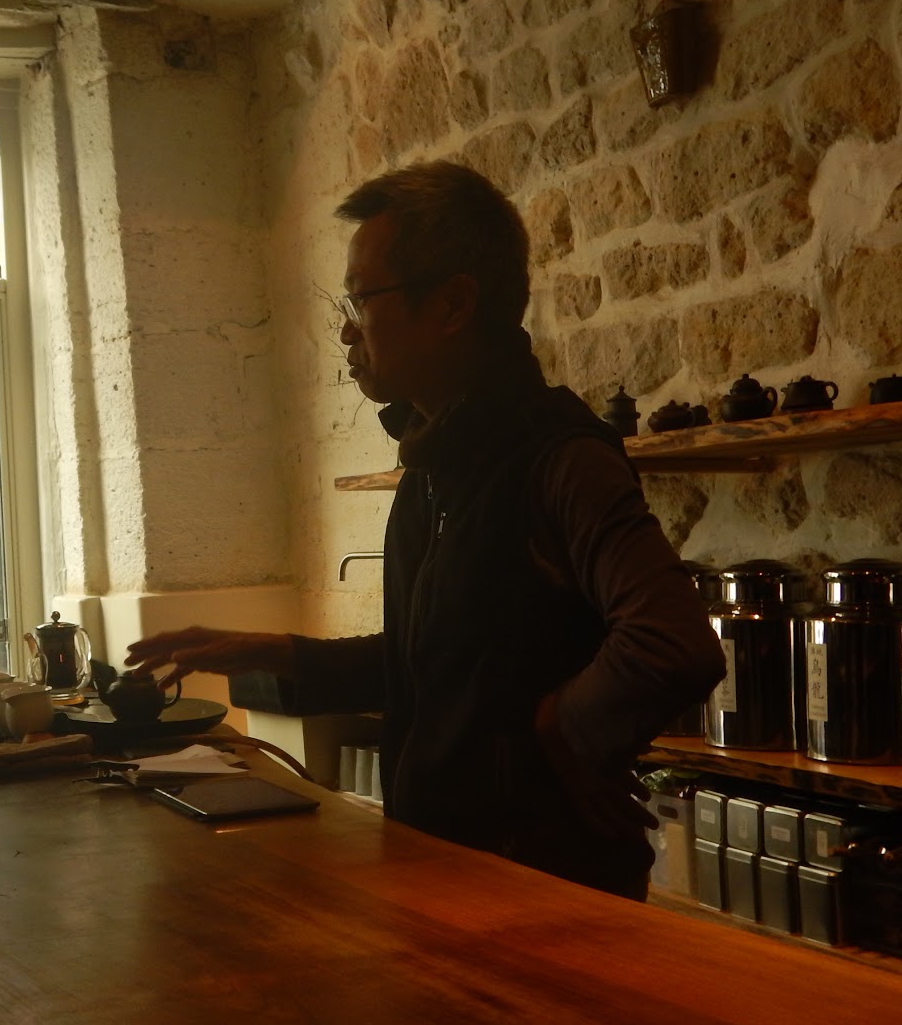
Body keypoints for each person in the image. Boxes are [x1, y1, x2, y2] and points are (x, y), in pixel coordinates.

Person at [128, 162, 722, 899]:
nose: (346, 329)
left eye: (362, 298)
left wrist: (559, 733)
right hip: (444, 869)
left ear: (452, 305)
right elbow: (438, 662)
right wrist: (273, 652)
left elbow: (673, 642)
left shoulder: (558, 457)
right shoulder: (434, 464)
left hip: (543, 891)